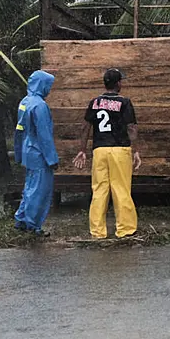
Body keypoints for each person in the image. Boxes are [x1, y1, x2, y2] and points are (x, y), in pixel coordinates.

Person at [72, 68, 141, 239]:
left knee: (99, 190)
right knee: (121, 189)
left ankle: (97, 232)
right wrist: (136, 150)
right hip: (119, 149)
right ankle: (125, 230)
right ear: (118, 83)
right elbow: (131, 127)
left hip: (100, 149)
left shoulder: (94, 102)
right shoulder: (124, 102)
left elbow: (85, 126)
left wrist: (82, 149)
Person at [14, 70, 59, 237]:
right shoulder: (40, 106)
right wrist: (52, 158)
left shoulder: (25, 102)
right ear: (42, 85)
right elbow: (44, 135)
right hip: (39, 153)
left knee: (29, 187)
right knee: (39, 190)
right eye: (49, 86)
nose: (49, 89)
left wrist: (19, 153)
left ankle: (21, 219)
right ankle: (33, 226)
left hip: (28, 151)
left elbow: (19, 130)